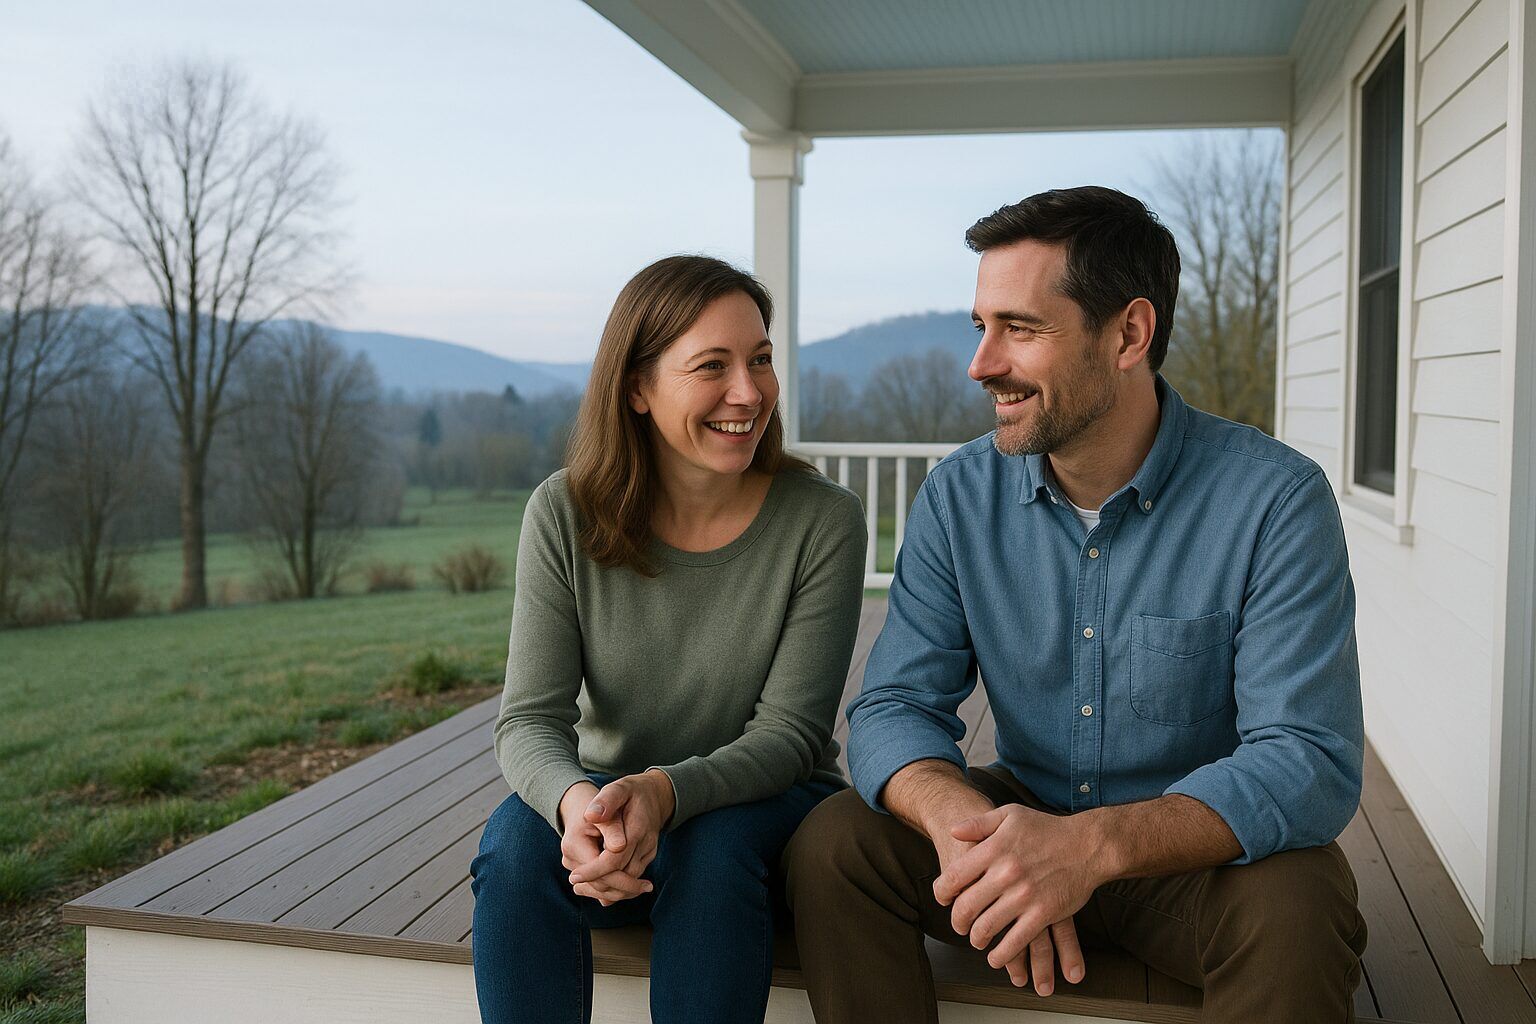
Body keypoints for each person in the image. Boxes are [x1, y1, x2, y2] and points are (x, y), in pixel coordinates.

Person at [784, 186, 1368, 1023]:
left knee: (1302, 905)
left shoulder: (1274, 501)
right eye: (981, 327)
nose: (982, 364)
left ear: (1128, 334)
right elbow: (893, 705)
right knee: (836, 842)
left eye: (1021, 329)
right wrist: (970, 832)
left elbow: (1306, 756)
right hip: (1017, 821)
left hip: (1192, 862)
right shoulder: (959, 496)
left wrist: (1088, 849)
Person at [469, 254, 866, 1024]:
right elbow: (528, 720)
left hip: (763, 805)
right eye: (712, 366)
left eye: (760, 360)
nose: (748, 392)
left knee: (709, 850)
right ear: (637, 388)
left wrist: (663, 792)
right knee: (516, 841)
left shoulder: (823, 520)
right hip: (613, 802)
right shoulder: (563, 512)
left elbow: (790, 735)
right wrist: (578, 806)